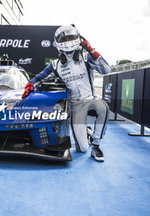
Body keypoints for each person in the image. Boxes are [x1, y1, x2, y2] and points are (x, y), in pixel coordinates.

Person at [22, 24, 110, 162]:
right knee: (82, 149)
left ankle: (97, 145)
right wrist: (30, 84)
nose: (68, 40)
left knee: (103, 107)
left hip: (90, 98)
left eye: (70, 37)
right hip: (74, 104)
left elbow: (106, 70)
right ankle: (87, 134)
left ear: (78, 38)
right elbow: (39, 77)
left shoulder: (87, 57)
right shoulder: (56, 65)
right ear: (57, 43)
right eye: (64, 38)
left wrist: (92, 50)